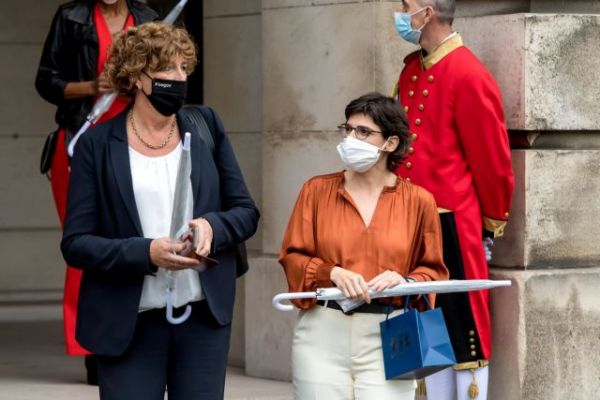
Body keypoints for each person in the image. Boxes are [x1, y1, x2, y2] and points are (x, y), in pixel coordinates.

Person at [61, 22, 259, 399]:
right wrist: (146, 252)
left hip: (202, 317)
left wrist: (212, 227)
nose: (180, 78)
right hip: (128, 321)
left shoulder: (205, 126)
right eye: (168, 68)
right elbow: (76, 243)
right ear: (137, 75)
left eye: (184, 67)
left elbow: (245, 211)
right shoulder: (97, 146)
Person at [279, 93, 449, 400]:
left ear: (391, 143)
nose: (350, 138)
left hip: (391, 332)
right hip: (322, 331)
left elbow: (434, 271)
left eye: (363, 132)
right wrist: (330, 272)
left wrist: (405, 281)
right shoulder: (316, 191)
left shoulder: (419, 201)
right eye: (348, 129)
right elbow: (292, 256)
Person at [392, 1, 515, 398]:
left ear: (427, 12)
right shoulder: (411, 70)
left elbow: (492, 161)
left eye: (406, 5)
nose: (400, 12)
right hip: (410, 219)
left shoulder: (469, 73)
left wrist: (490, 224)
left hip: (453, 224)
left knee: (464, 331)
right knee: (423, 326)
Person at [34, 0, 157, 383]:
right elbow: (45, 80)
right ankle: (91, 346)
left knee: (135, 236)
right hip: (80, 138)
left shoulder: (149, 18)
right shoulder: (71, 16)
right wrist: (91, 86)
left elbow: (171, 77)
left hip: (137, 138)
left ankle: (134, 338)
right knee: (84, 243)